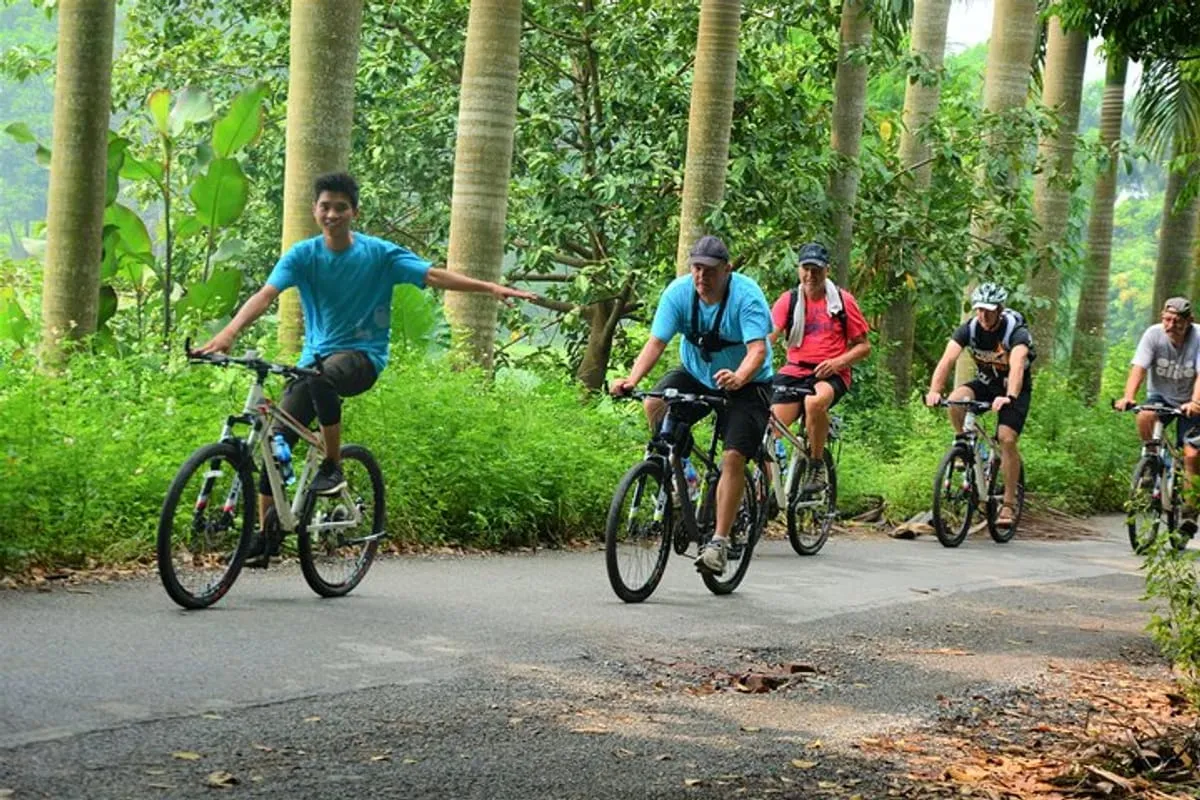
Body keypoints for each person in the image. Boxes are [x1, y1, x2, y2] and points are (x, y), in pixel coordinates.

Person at [197, 172, 536, 560]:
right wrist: (228, 334)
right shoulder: (302, 256)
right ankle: (266, 540)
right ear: (314, 211)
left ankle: (333, 465)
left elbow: (433, 275)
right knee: (275, 447)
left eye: (341, 207)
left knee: (323, 377)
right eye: (325, 206)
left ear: (354, 212)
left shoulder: (379, 255)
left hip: (361, 359)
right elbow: (266, 295)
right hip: (313, 362)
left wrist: (491, 288)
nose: (332, 214)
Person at [609, 235, 773, 576]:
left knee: (732, 457)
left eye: (710, 270)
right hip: (698, 375)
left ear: (727, 270)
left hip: (748, 384)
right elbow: (656, 343)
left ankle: (718, 543)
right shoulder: (678, 293)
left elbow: (757, 351)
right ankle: (686, 478)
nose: (702, 276)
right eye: (697, 268)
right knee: (655, 404)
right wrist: (632, 380)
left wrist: (740, 377)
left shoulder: (747, 297)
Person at [925, 282, 1033, 528]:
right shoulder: (969, 329)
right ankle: (966, 446)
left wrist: (1010, 397)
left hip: (1014, 389)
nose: (983, 315)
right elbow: (946, 361)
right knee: (955, 399)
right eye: (979, 309)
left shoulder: (1015, 332)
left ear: (1000, 309)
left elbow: (1017, 367)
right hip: (986, 383)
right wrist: (934, 391)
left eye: (989, 310)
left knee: (1006, 438)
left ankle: (1007, 504)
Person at [768, 242, 870, 494]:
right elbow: (767, 338)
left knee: (814, 402)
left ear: (827, 271)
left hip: (832, 373)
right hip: (794, 370)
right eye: (806, 268)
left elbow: (863, 346)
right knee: (766, 428)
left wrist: (839, 362)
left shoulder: (843, 301)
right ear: (798, 269)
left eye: (816, 269)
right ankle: (767, 492)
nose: (810, 275)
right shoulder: (789, 300)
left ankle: (816, 464)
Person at [1114, 296, 1200, 535]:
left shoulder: (1199, 338)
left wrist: (1194, 402)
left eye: (1177, 322)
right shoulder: (1153, 334)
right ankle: (1151, 463)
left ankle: (1190, 514)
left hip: (1192, 402)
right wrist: (1128, 396)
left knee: (1192, 455)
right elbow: (1139, 368)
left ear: (1189, 321)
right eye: (1167, 320)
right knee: (1144, 415)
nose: (1170, 326)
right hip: (1161, 396)